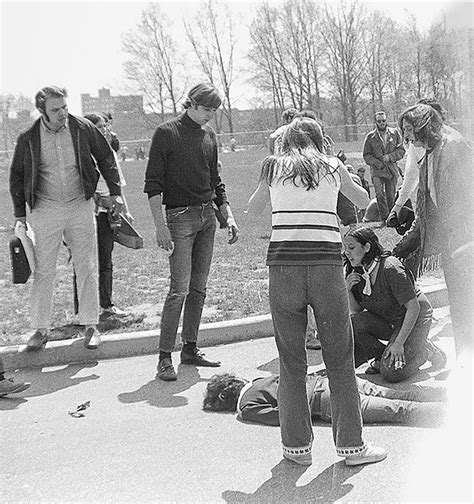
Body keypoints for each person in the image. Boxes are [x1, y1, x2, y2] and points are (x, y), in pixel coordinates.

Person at [245, 117, 386, 467]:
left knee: (290, 361)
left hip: (283, 269)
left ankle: (297, 449)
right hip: (324, 267)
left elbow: (253, 209)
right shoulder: (332, 165)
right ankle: (351, 447)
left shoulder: (273, 167)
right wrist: (342, 173)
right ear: (319, 140)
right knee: (339, 358)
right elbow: (363, 199)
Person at [9, 86, 122, 351]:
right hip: (45, 209)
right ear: (42, 111)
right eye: (55, 110)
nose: (63, 113)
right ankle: (40, 330)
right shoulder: (28, 138)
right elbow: (17, 174)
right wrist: (20, 216)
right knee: (44, 270)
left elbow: (106, 157)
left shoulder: (83, 128)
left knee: (86, 266)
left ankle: (91, 326)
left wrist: (115, 193)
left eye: (64, 107)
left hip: (79, 205)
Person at [144, 83, 239, 382]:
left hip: (206, 216)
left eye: (215, 110)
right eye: (208, 110)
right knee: (179, 290)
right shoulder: (166, 133)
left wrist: (228, 215)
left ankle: (190, 348)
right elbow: (152, 185)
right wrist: (160, 227)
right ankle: (163, 357)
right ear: (192, 104)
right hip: (179, 218)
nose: (211, 116)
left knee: (199, 288)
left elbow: (215, 179)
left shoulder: (209, 135)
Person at [393, 104, 473, 359]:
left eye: (409, 129)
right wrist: (403, 247)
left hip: (466, 241)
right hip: (452, 244)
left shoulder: (455, 146)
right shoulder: (430, 153)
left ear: (423, 125)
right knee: (460, 306)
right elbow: (429, 210)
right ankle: (465, 361)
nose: (407, 137)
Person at [343, 227, 446, 382]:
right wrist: (348, 290)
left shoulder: (391, 268)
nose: (347, 253)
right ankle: (383, 356)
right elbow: (357, 311)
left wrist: (398, 344)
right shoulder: (357, 271)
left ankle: (425, 350)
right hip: (391, 321)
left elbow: (414, 307)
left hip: (414, 319)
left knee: (391, 373)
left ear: (367, 247)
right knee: (353, 324)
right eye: (345, 249)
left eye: (351, 248)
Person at [203, 371, 447, 427]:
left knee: (398, 410)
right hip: (329, 380)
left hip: (325, 400)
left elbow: (284, 417)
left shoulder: (247, 407)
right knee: (398, 395)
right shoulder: (258, 381)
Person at [84, 113, 133, 318]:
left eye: (105, 126)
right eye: (99, 127)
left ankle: (106, 305)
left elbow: (117, 186)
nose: (105, 130)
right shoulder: (83, 153)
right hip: (87, 214)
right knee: (85, 262)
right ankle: (83, 309)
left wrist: (126, 210)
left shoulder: (110, 153)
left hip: (107, 214)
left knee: (106, 260)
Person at [362, 111, 405, 223]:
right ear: (376, 122)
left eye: (383, 120)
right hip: (377, 171)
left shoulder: (395, 133)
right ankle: (384, 218)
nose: (381, 123)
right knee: (379, 194)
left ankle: (391, 219)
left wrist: (390, 157)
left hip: (391, 170)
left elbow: (401, 150)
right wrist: (378, 163)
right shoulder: (370, 137)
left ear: (387, 120)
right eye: (379, 121)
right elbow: (366, 155)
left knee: (391, 196)